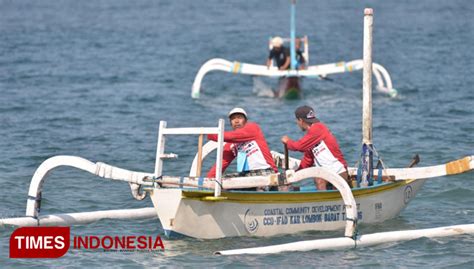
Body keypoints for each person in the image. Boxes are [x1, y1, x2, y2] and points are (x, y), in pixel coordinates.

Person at [281, 105, 349, 190]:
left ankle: (326, 201)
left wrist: (287, 141)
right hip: (326, 175)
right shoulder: (311, 138)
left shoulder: (318, 127)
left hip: (339, 172)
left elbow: (299, 147)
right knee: (318, 178)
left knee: (320, 178)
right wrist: (293, 176)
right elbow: (307, 161)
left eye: (297, 121)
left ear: (300, 120)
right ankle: (322, 201)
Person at [207, 108, 278, 178]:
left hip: (267, 171)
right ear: (230, 122)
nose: (236, 121)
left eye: (239, 118)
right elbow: (221, 163)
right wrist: (209, 180)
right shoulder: (231, 145)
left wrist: (210, 134)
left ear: (246, 121)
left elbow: (231, 136)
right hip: (249, 174)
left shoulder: (253, 128)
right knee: (223, 180)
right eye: (233, 119)